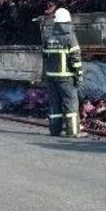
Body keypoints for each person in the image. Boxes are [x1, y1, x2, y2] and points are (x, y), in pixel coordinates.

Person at [42, 8, 84, 138]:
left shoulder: (48, 36)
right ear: (67, 21)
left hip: (51, 77)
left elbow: (44, 56)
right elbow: (75, 58)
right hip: (66, 78)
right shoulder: (69, 37)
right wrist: (79, 74)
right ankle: (73, 131)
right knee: (70, 103)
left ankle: (55, 130)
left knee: (54, 104)